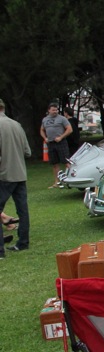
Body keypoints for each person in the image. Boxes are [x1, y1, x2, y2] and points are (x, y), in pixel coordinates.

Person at [0, 98, 32, 257]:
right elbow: (27, 152)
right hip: (20, 173)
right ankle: (23, 243)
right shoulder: (17, 125)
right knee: (22, 210)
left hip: (4, 175)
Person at [40, 103, 72, 188]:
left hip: (61, 142)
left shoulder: (62, 119)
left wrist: (61, 137)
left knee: (66, 162)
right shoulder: (45, 120)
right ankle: (57, 182)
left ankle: (72, 180)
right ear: (49, 110)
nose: (55, 111)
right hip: (51, 143)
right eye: (53, 110)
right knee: (54, 163)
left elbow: (69, 129)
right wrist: (45, 138)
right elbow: (42, 130)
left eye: (56, 110)